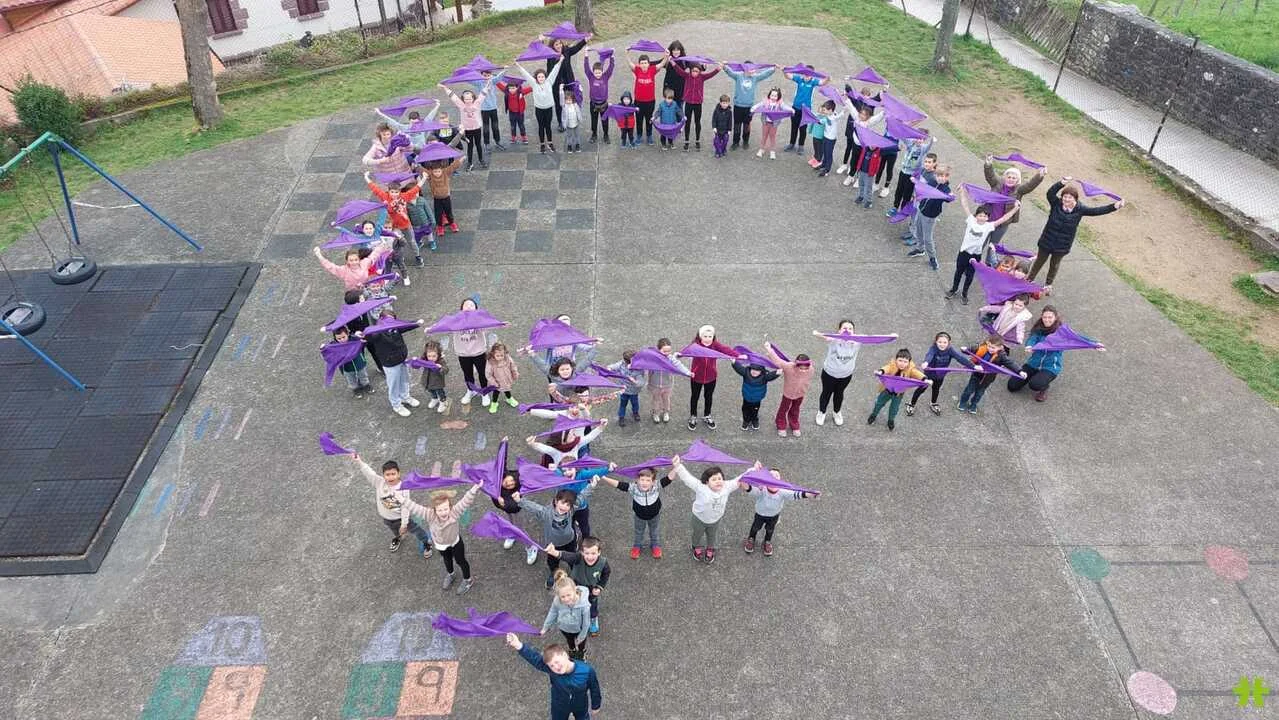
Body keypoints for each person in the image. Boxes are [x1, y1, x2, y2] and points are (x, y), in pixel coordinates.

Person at [1029, 178, 1123, 293]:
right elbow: (1050, 193)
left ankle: (1048, 284)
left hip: (1062, 246)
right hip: (1046, 241)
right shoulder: (1056, 204)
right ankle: (1030, 279)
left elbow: (1097, 211)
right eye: (1064, 196)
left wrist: (1114, 206)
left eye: (1070, 197)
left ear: (1075, 199)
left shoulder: (1080, 209)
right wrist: (1061, 183)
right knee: (1039, 261)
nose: (1066, 199)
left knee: (1054, 265)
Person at [1008, 305, 1102, 401]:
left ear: (1055, 317)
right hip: (1033, 363)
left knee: (1035, 385)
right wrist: (1029, 345)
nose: (1047, 320)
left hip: (1050, 367)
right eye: (1044, 317)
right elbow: (1032, 338)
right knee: (1012, 386)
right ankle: (1033, 375)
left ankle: (1044, 387)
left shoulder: (1062, 332)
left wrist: (1094, 344)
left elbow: (1077, 338)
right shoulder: (1038, 328)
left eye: (1050, 317)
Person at [670, 455, 751, 564]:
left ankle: (710, 548)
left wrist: (753, 469)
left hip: (715, 520)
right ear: (707, 482)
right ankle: (696, 546)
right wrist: (678, 465)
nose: (718, 481)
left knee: (712, 536)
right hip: (699, 519)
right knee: (697, 534)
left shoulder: (726, 487)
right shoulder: (700, 487)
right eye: (714, 479)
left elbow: (740, 479)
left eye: (720, 478)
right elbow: (687, 478)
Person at [347, 453, 431, 558]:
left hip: (400, 518)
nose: (390, 477)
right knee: (395, 531)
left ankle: (426, 542)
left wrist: (404, 524)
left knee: (416, 530)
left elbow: (405, 508)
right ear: (383, 475)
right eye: (387, 474)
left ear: (398, 474)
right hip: (387, 518)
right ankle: (399, 537)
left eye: (393, 474)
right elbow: (369, 473)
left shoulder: (403, 488)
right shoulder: (379, 482)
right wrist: (359, 461)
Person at [504, 633, 602, 720]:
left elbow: (594, 689)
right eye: (551, 666)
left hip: (580, 705)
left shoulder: (586, 670)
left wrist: (596, 705)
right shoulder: (552, 671)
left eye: (557, 662)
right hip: (559, 705)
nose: (556, 667)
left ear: (565, 655)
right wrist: (518, 645)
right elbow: (535, 659)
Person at [944, 196, 1020, 302]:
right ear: (976, 216)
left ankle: (964, 293)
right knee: (958, 272)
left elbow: (1003, 218)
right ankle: (954, 289)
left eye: (985, 216)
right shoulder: (971, 221)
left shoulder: (988, 226)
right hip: (963, 253)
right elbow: (965, 205)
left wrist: (1015, 209)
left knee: (970, 275)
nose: (982, 218)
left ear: (988, 218)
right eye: (980, 215)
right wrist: (962, 192)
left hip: (975, 255)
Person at [981, 156, 1046, 264]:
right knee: (980, 243)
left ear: (1017, 180)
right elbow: (990, 175)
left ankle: (989, 264)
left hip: (1002, 225)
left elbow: (1030, 185)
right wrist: (988, 164)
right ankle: (973, 262)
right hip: (987, 220)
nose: (1011, 179)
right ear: (1004, 177)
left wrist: (1040, 175)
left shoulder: (1019, 190)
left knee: (993, 246)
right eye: (1009, 177)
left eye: (1014, 178)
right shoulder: (997, 183)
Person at [518, 487, 585, 588]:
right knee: (552, 562)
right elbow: (533, 507)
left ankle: (575, 573)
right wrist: (519, 500)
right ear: (556, 501)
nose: (564, 507)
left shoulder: (571, 510)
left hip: (569, 541)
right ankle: (554, 574)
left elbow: (583, 496)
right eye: (562, 503)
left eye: (568, 505)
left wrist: (592, 485)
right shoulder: (546, 513)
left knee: (572, 559)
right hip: (553, 545)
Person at [741, 468, 816, 556]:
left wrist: (810, 494)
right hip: (760, 515)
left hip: (774, 516)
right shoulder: (761, 489)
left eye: (776, 475)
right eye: (770, 475)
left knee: (770, 530)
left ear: (780, 479)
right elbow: (749, 488)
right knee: (755, 528)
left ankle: (767, 541)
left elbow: (796, 494)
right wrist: (744, 478)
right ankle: (751, 538)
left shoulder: (783, 491)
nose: (773, 477)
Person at [600, 467, 672, 559]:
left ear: (653, 482)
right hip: (639, 517)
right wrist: (604, 477)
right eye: (642, 480)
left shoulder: (657, 486)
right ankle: (637, 546)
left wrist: (676, 467)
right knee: (639, 532)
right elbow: (618, 484)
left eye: (648, 480)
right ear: (637, 480)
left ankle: (655, 545)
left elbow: (668, 479)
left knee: (654, 531)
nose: (644, 483)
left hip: (654, 516)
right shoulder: (633, 488)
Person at [545, 536, 610, 636]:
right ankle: (577, 618)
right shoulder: (578, 558)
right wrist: (554, 552)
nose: (590, 557)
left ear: (599, 552)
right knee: (574, 603)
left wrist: (600, 586)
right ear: (582, 552)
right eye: (587, 553)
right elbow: (567, 556)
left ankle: (593, 618)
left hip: (592, 591)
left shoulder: (603, 563)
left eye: (593, 553)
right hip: (575, 587)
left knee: (592, 606)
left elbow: (606, 574)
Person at [424, 484, 483, 594]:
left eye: (445, 509)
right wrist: (401, 499)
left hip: (455, 543)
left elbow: (465, 501)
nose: (443, 512)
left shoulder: (454, 512)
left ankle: (468, 580)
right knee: (447, 559)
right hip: (441, 545)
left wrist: (474, 489)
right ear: (434, 510)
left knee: (461, 561)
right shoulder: (430, 516)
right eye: (440, 510)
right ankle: (451, 574)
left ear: (450, 507)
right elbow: (414, 507)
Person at [360, 312, 421, 417]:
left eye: (392, 320)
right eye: (388, 319)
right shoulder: (377, 332)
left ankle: (405, 397)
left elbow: (405, 326)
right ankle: (396, 405)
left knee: (404, 379)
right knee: (394, 384)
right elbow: (368, 337)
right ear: (380, 319)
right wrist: (362, 335)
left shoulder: (395, 327)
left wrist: (416, 323)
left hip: (402, 359)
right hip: (390, 363)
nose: (390, 322)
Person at [906, 331, 974, 417]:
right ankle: (912, 404)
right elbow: (929, 355)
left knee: (936, 389)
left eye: (945, 342)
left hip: (940, 376)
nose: (942, 344)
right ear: (936, 342)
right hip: (929, 375)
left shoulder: (950, 350)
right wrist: (926, 362)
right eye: (940, 342)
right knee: (921, 389)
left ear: (949, 343)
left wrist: (973, 366)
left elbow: (960, 358)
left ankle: (933, 403)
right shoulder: (933, 348)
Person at [686, 324, 737, 431]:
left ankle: (707, 415)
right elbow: (687, 350)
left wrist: (737, 355)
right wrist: (679, 354)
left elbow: (725, 349)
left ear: (713, 337)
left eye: (710, 336)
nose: (708, 339)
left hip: (711, 377)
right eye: (705, 336)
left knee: (708, 397)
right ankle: (693, 416)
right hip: (696, 377)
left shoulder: (715, 345)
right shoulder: (695, 345)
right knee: (695, 397)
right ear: (700, 336)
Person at [958, 334, 1025, 413]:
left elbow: (1010, 363)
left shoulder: (1001, 356)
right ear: (987, 343)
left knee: (979, 393)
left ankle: (973, 404)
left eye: (993, 347)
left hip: (988, 378)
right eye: (989, 346)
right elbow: (972, 349)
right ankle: (963, 401)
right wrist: (965, 349)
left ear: (1000, 347)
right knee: (969, 390)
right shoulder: (982, 348)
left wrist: (1019, 371)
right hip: (976, 374)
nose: (990, 349)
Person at [905, 163, 953, 272]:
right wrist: (915, 181)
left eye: (943, 176)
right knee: (919, 232)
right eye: (938, 175)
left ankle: (932, 257)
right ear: (935, 175)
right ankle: (920, 249)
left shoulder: (945, 189)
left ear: (947, 177)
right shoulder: (932, 181)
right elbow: (923, 188)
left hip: (930, 217)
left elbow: (949, 198)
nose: (940, 178)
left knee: (928, 238)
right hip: (921, 211)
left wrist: (950, 196)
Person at [813, 321, 862, 426]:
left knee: (839, 393)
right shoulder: (834, 340)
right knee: (826, 393)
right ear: (839, 330)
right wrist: (817, 333)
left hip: (846, 375)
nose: (847, 330)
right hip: (829, 374)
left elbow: (875, 339)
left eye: (850, 328)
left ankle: (836, 412)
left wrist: (891, 337)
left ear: (854, 331)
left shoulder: (858, 341)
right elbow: (824, 336)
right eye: (844, 328)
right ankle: (821, 412)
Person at [868, 348, 929, 431]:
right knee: (879, 403)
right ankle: (874, 414)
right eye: (900, 360)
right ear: (896, 360)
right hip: (886, 390)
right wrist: (881, 372)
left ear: (909, 362)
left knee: (894, 408)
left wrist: (925, 379)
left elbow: (917, 374)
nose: (902, 364)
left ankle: (891, 420)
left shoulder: (910, 369)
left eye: (905, 362)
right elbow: (886, 368)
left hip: (898, 394)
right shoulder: (892, 366)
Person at [440, 79, 495, 170]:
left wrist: (488, 84)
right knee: (470, 146)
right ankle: (470, 162)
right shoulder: (461, 105)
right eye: (466, 99)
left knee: (478, 145)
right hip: (467, 129)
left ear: (473, 98)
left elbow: (482, 94)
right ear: (463, 99)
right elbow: (454, 98)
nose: (468, 100)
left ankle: (481, 159)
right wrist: (445, 88)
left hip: (477, 128)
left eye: (469, 99)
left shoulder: (477, 103)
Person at [763, 341, 814, 438]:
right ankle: (780, 424)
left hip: (800, 394)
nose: (803, 370)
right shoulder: (789, 367)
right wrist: (769, 349)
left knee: (795, 409)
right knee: (783, 409)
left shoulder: (811, 369)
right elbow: (778, 361)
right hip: (788, 394)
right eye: (801, 368)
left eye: (805, 368)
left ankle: (794, 424)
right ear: (796, 364)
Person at [722, 60, 776, 150]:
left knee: (747, 125)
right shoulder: (738, 76)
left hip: (749, 107)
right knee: (737, 125)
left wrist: (773, 69)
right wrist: (724, 66)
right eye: (751, 69)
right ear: (745, 69)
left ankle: (745, 141)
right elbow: (730, 72)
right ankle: (735, 142)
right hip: (738, 106)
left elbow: (764, 74)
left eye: (753, 69)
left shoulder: (755, 77)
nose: (753, 70)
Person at [514, 59, 565, 153]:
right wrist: (517, 65)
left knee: (548, 126)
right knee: (541, 126)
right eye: (539, 77)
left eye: (542, 76)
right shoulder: (533, 84)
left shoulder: (549, 82)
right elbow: (526, 74)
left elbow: (555, 70)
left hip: (548, 109)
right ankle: (542, 144)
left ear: (545, 77)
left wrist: (560, 61)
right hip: (539, 109)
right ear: (536, 78)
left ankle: (550, 143)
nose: (541, 78)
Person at [540, 568, 592, 659]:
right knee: (570, 641)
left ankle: (581, 652)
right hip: (564, 628)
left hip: (578, 629)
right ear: (558, 595)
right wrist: (545, 627)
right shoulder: (557, 600)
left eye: (568, 595)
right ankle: (572, 650)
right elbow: (552, 612)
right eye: (562, 597)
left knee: (581, 643)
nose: (566, 599)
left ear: (575, 590)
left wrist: (581, 637)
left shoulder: (584, 606)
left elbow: (586, 623)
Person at [492, 465, 540, 564]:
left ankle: (531, 546)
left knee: (520, 528)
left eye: (512, 484)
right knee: (511, 523)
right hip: (508, 509)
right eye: (510, 480)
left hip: (516, 510)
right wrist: (497, 498)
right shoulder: (500, 476)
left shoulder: (515, 492)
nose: (509, 483)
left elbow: (513, 507)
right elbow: (501, 461)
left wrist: (502, 502)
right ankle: (512, 534)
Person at [543, 34, 589, 132]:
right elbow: (542, 52)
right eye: (556, 44)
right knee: (559, 104)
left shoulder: (566, 51)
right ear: (552, 46)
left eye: (560, 43)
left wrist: (584, 40)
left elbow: (576, 48)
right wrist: (541, 41)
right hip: (557, 84)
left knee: (570, 100)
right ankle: (561, 123)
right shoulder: (550, 56)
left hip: (568, 82)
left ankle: (571, 119)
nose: (559, 46)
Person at [625, 50, 671, 144]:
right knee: (639, 119)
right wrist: (626, 54)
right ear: (639, 64)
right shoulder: (637, 70)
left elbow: (662, 64)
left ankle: (649, 136)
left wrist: (666, 56)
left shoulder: (652, 70)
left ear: (648, 64)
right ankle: (639, 136)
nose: (644, 65)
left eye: (645, 63)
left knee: (649, 119)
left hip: (650, 101)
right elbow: (630, 63)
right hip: (638, 101)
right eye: (642, 63)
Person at [675, 61, 720, 151]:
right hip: (688, 103)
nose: (694, 73)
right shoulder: (687, 76)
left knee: (697, 122)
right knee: (687, 122)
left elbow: (711, 74)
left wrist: (718, 69)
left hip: (698, 103)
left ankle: (697, 140)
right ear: (690, 70)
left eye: (697, 71)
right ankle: (686, 141)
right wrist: (672, 62)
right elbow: (679, 70)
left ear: (700, 71)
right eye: (693, 71)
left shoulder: (702, 77)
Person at [313, 244, 392, 292]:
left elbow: (374, 255)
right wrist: (319, 256)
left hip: (368, 289)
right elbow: (330, 267)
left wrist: (382, 246)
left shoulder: (364, 263)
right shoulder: (343, 270)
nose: (354, 262)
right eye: (351, 260)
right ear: (347, 261)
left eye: (355, 260)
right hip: (354, 293)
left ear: (359, 259)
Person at [890, 131, 934, 216]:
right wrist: (901, 128)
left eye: (922, 139)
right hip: (903, 172)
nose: (919, 140)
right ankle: (895, 207)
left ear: (924, 140)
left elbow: (928, 146)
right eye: (917, 138)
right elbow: (903, 137)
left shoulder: (923, 148)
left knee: (907, 193)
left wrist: (932, 141)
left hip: (912, 175)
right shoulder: (910, 143)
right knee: (899, 190)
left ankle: (903, 210)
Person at [783, 64, 825, 152]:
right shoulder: (799, 79)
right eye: (805, 73)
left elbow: (822, 83)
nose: (806, 75)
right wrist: (784, 70)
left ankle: (801, 146)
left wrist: (828, 79)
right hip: (795, 108)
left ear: (812, 75)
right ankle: (791, 144)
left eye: (809, 74)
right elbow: (788, 76)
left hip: (806, 110)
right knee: (794, 127)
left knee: (803, 128)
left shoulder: (813, 82)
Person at [731, 359, 780, 431]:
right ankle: (746, 421)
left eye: (757, 370)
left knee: (755, 411)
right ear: (750, 368)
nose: (754, 372)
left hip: (757, 399)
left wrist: (778, 372)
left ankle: (754, 420)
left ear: (761, 371)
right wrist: (734, 362)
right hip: (746, 398)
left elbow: (771, 376)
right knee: (745, 410)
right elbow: (739, 368)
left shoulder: (764, 376)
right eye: (753, 369)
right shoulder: (746, 372)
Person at [646, 338, 684, 423]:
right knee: (656, 400)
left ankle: (666, 412)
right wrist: (649, 383)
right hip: (655, 385)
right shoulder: (654, 360)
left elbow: (678, 364)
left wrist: (688, 373)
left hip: (667, 385)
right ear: (658, 350)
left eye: (669, 351)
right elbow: (649, 372)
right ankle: (656, 413)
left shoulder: (671, 359)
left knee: (666, 399)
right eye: (664, 351)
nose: (667, 353)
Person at [328, 326, 372, 397]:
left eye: (343, 337)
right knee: (351, 379)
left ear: (348, 334)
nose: (342, 340)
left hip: (359, 363)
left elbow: (364, 342)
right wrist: (322, 349)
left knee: (363, 375)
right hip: (346, 367)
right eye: (339, 339)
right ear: (335, 338)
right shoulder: (334, 345)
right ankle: (355, 389)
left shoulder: (354, 339)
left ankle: (366, 385)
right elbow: (328, 353)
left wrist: (362, 336)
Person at [425, 157, 464, 237]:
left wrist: (460, 160)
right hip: (437, 198)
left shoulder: (445, 172)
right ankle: (440, 226)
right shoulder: (430, 176)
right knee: (438, 213)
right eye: (435, 171)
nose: (437, 173)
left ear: (442, 170)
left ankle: (452, 223)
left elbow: (453, 166)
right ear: (432, 171)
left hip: (446, 197)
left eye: (439, 171)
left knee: (448, 211)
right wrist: (417, 167)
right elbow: (423, 171)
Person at [751, 87, 793, 159]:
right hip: (765, 122)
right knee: (764, 136)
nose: (773, 97)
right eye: (772, 95)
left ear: (778, 97)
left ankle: (772, 151)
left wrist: (791, 109)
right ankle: (761, 149)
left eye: (775, 96)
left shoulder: (780, 103)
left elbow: (785, 107)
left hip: (774, 124)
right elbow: (759, 105)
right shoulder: (765, 102)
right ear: (769, 95)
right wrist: (754, 107)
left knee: (772, 137)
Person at [583, 48, 614, 144]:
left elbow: (611, 68)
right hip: (593, 104)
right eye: (596, 72)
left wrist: (612, 56)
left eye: (599, 72)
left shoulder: (605, 76)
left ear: (602, 71)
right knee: (594, 121)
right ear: (593, 72)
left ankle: (606, 135)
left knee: (605, 120)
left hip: (604, 104)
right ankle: (594, 134)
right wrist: (586, 54)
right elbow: (586, 67)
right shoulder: (590, 77)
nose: (597, 74)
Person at [607, 349, 646, 426]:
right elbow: (613, 366)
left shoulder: (639, 370)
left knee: (635, 403)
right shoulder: (622, 364)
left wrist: (634, 381)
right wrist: (609, 369)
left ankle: (635, 413)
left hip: (633, 391)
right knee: (623, 404)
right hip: (624, 390)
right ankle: (621, 417)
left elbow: (641, 383)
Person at [472, 69, 504, 152]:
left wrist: (505, 69)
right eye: (484, 75)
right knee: (486, 127)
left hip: (493, 108)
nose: (486, 77)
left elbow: (499, 77)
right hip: (484, 109)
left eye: (488, 75)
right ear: (481, 75)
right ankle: (487, 143)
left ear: (491, 75)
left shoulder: (493, 81)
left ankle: (497, 141)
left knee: (495, 126)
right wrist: (469, 71)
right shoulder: (479, 83)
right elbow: (469, 80)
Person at [484, 342, 521, 414]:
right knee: (496, 393)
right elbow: (488, 375)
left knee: (507, 390)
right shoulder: (491, 363)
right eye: (498, 356)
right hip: (497, 382)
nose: (500, 357)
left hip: (506, 380)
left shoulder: (508, 359)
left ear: (504, 353)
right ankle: (494, 403)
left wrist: (515, 374)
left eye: (502, 355)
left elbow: (513, 366)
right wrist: (494, 383)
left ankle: (509, 399)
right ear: (493, 354)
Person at [497, 76, 532, 145]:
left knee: (521, 126)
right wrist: (493, 79)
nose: (511, 90)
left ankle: (524, 137)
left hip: (520, 113)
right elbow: (499, 85)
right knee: (512, 126)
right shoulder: (507, 92)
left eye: (513, 88)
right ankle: (513, 137)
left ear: (517, 87)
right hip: (512, 113)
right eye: (510, 88)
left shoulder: (521, 92)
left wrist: (537, 82)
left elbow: (531, 88)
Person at [419, 339, 450, 413]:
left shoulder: (440, 361)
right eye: (429, 356)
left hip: (437, 382)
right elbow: (418, 364)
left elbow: (446, 370)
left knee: (440, 392)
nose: (431, 358)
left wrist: (440, 368)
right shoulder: (425, 360)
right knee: (431, 391)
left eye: (434, 356)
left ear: (438, 355)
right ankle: (435, 399)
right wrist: (415, 362)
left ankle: (443, 402)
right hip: (428, 381)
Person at [561, 88, 584, 154]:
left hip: (576, 123)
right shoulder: (564, 107)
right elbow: (563, 117)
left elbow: (580, 99)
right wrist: (561, 90)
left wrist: (580, 91)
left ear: (573, 99)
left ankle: (577, 145)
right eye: (567, 100)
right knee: (569, 136)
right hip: (568, 125)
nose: (568, 101)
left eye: (570, 100)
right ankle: (569, 146)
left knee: (577, 135)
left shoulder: (576, 105)